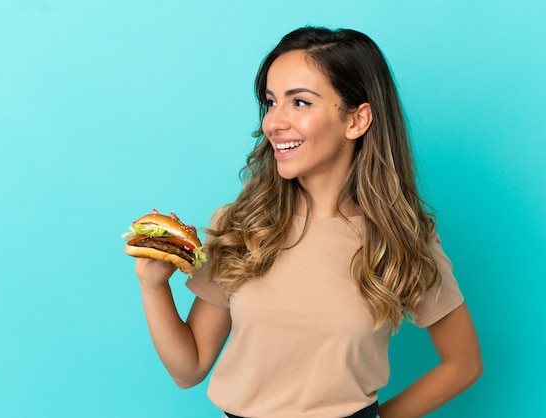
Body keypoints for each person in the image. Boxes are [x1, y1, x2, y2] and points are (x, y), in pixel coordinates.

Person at [132, 26, 482, 418]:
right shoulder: (240, 225)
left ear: (357, 120)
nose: (273, 123)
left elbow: (463, 363)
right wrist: (153, 284)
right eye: (270, 102)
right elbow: (189, 368)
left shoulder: (401, 237)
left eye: (299, 102)